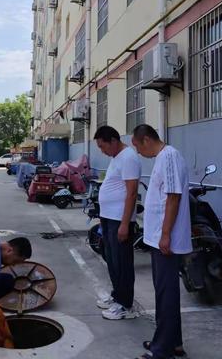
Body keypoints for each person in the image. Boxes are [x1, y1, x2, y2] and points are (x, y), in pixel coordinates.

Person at [131, 124, 191, 359]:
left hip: (166, 240)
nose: (138, 152)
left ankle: (162, 350)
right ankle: (172, 342)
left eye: (137, 146)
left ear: (146, 140)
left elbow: (173, 197)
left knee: (166, 295)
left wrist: (165, 234)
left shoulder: (169, 156)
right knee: (164, 292)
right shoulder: (163, 158)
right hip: (159, 239)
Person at [94, 125, 141, 320]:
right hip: (109, 217)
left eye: (103, 146)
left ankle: (126, 305)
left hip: (119, 220)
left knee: (122, 262)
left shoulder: (129, 157)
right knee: (112, 259)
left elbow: (131, 192)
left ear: (113, 140)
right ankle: (117, 296)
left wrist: (124, 223)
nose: (102, 151)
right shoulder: (117, 158)